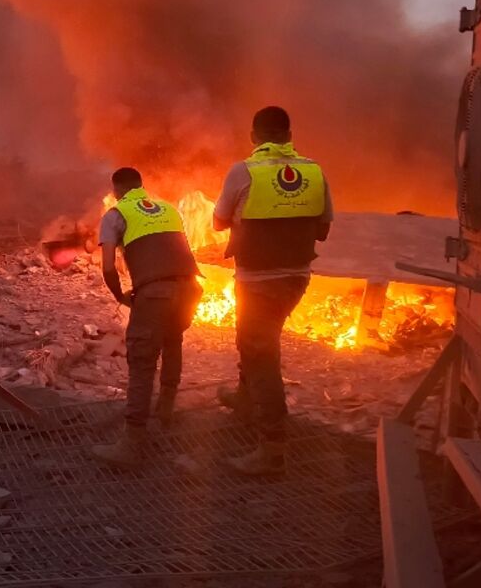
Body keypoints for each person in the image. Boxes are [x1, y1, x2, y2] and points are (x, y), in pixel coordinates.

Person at [212, 106, 333, 475]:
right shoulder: (314, 171)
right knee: (252, 340)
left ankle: (272, 449)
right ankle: (246, 400)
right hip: (297, 278)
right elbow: (323, 229)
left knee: (261, 354)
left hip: (257, 280)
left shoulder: (244, 170)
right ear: (288, 134)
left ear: (254, 135)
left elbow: (217, 222)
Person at [91, 167, 203, 468]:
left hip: (156, 292)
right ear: (142, 186)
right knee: (172, 338)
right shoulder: (168, 208)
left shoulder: (115, 215)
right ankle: (166, 409)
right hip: (190, 287)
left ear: (116, 191)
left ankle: (132, 443)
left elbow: (109, 268)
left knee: (141, 360)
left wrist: (120, 296)